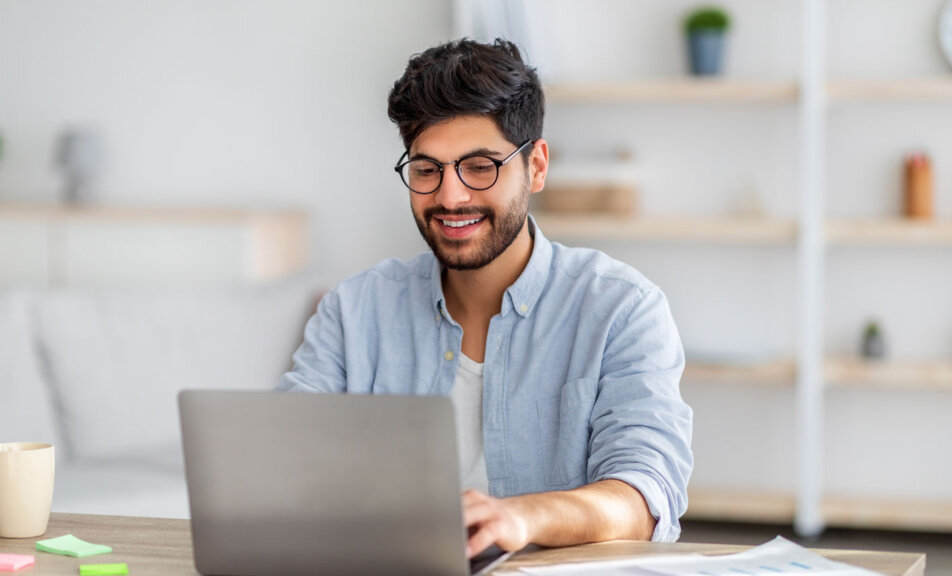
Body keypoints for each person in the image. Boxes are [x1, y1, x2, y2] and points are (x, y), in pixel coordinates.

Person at [277, 38, 693, 556]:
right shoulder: (355, 310)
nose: (450, 196)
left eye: (480, 166)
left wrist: (520, 516)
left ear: (536, 167)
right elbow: (286, 463)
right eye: (427, 169)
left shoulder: (621, 308)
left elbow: (644, 496)